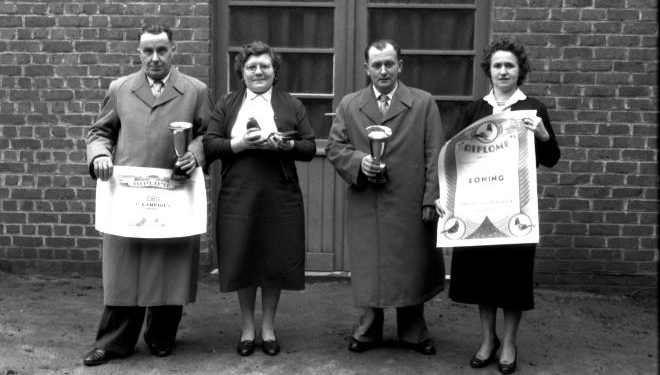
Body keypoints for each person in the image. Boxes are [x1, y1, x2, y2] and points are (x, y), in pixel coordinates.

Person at [83, 23, 213, 366]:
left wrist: (195, 155)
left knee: (168, 266)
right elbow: (100, 131)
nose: (155, 58)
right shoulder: (121, 88)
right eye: (147, 51)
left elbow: (209, 134)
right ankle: (114, 341)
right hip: (127, 197)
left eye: (162, 50)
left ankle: (161, 336)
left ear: (174, 51)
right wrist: (99, 155)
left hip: (173, 193)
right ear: (138, 52)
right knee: (124, 269)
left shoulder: (195, 90)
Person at [438, 37, 560, 375]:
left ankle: (509, 342)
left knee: (512, 279)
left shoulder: (533, 108)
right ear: (488, 71)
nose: (503, 71)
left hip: (516, 209)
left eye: (510, 65)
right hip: (479, 208)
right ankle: (487, 340)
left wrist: (543, 136)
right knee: (482, 278)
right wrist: (446, 197)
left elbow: (551, 159)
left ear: (520, 70)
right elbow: (457, 160)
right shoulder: (475, 110)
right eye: (497, 66)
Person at [326, 39, 445, 356]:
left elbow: (435, 154)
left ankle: (413, 331)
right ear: (366, 68)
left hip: (410, 199)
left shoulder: (423, 102)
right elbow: (336, 148)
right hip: (368, 199)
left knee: (412, 266)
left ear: (400, 66)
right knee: (369, 267)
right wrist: (359, 163)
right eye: (376, 65)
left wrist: (431, 199)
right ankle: (367, 330)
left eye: (389, 63)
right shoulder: (350, 104)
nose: (383, 70)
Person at [203, 41, 316, 357]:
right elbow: (211, 145)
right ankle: (246, 329)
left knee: (274, 259)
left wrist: (284, 146)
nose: (258, 71)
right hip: (238, 195)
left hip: (280, 195)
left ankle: (268, 328)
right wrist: (239, 143)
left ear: (274, 70)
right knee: (243, 258)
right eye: (251, 66)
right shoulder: (227, 104)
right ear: (242, 71)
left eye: (265, 66)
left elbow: (308, 147)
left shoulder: (292, 105)